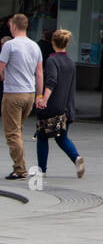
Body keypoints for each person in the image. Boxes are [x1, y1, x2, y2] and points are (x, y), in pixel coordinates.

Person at [34, 28, 84, 179]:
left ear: (53, 43)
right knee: (61, 137)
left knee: (42, 136)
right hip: (67, 107)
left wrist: (43, 99)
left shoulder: (52, 60)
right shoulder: (71, 62)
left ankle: (41, 169)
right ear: (66, 43)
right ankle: (76, 158)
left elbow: (51, 81)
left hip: (53, 106)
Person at [0, 13, 43, 180]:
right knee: (17, 130)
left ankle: (20, 169)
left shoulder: (9, 45)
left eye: (10, 25)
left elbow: (1, 68)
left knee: (12, 133)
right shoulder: (35, 46)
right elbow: (39, 73)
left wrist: (3, 76)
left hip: (13, 93)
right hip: (29, 94)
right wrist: (39, 95)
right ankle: (20, 166)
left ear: (14, 26)